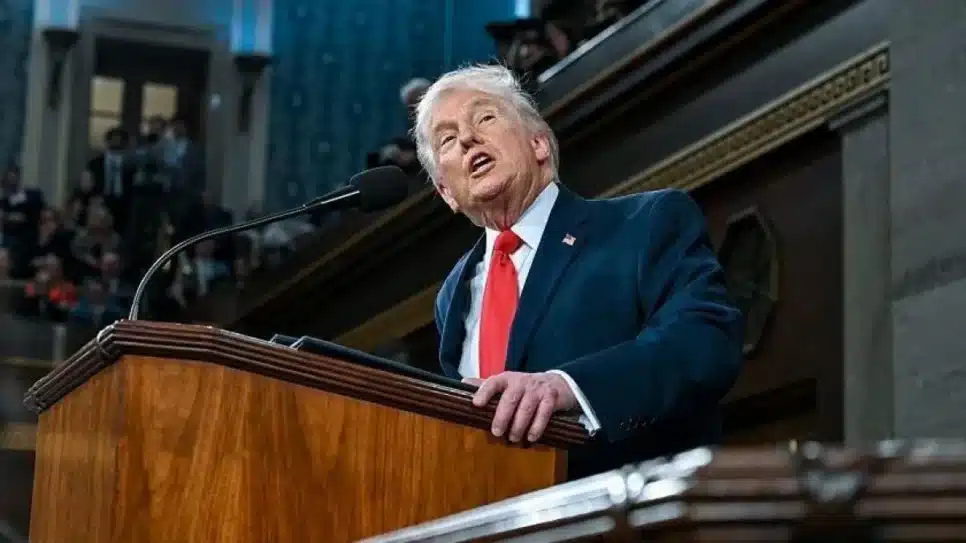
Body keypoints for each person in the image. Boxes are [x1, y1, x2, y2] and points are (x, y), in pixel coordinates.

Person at [415, 65, 743, 479]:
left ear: (538, 143)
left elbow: (704, 340)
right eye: (447, 139)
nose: (466, 138)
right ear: (446, 192)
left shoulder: (646, 224)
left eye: (485, 117)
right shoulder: (452, 295)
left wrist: (569, 387)